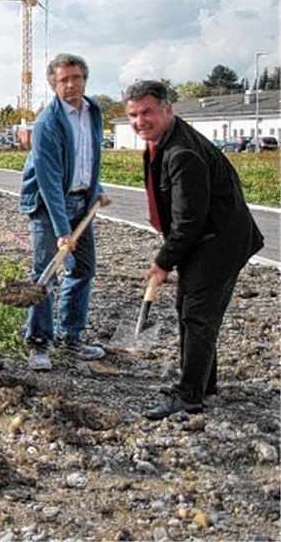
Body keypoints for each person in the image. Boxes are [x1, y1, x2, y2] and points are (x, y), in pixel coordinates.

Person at [124, 80, 264, 419]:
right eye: (133, 115)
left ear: (167, 110)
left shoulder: (182, 153)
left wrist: (163, 262)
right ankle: (203, 382)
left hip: (218, 242)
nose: (140, 120)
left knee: (197, 315)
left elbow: (190, 220)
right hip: (208, 239)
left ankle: (189, 397)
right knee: (189, 307)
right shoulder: (166, 140)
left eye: (147, 112)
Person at [19, 53, 112, 371]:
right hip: (48, 206)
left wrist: (94, 186)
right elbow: (48, 180)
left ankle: (71, 337)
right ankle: (39, 343)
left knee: (83, 269)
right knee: (45, 274)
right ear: (53, 84)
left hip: (81, 202)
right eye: (63, 80)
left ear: (85, 80)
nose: (71, 84)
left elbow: (88, 156)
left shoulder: (93, 111)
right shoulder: (48, 122)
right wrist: (61, 230)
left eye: (76, 78)